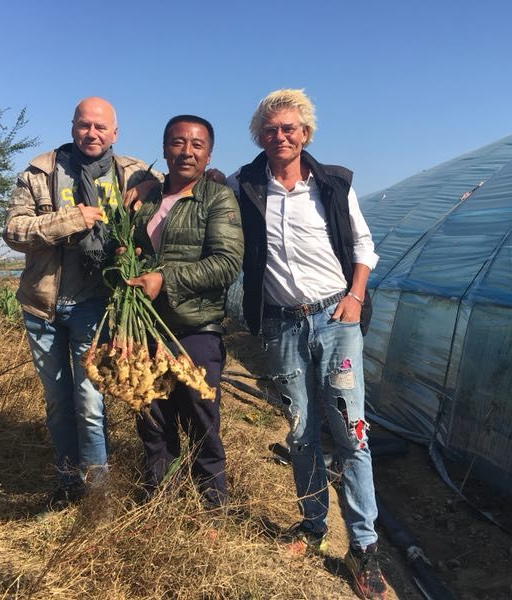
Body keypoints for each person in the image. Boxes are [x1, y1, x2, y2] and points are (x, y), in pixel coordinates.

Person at [227, 89, 388, 600]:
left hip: (335, 318)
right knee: (299, 430)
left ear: (305, 134)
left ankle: (364, 546)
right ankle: (314, 524)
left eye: (289, 128)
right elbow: (201, 198)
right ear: (260, 136)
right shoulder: (243, 186)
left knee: (351, 431)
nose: (281, 136)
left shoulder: (334, 184)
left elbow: (363, 247)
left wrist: (356, 297)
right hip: (281, 326)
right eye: (271, 130)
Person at [3, 97, 158, 509]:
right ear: (73, 126)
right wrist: (71, 219)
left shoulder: (134, 172)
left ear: (115, 132)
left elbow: (179, 191)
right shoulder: (41, 171)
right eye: (85, 125)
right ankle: (67, 481)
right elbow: (14, 230)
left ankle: (97, 494)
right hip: (43, 304)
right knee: (57, 402)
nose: (92, 133)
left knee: (90, 401)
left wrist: (151, 186)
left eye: (101, 127)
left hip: (97, 304)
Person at [126, 115, 243, 508]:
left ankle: (213, 508)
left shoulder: (217, 198)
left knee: (201, 421)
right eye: (177, 142)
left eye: (196, 144)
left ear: (209, 153)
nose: (186, 151)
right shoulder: (147, 199)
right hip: (147, 329)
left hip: (195, 329)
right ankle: (160, 502)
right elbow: (130, 249)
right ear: (164, 149)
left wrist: (165, 278)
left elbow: (227, 263)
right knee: (153, 421)